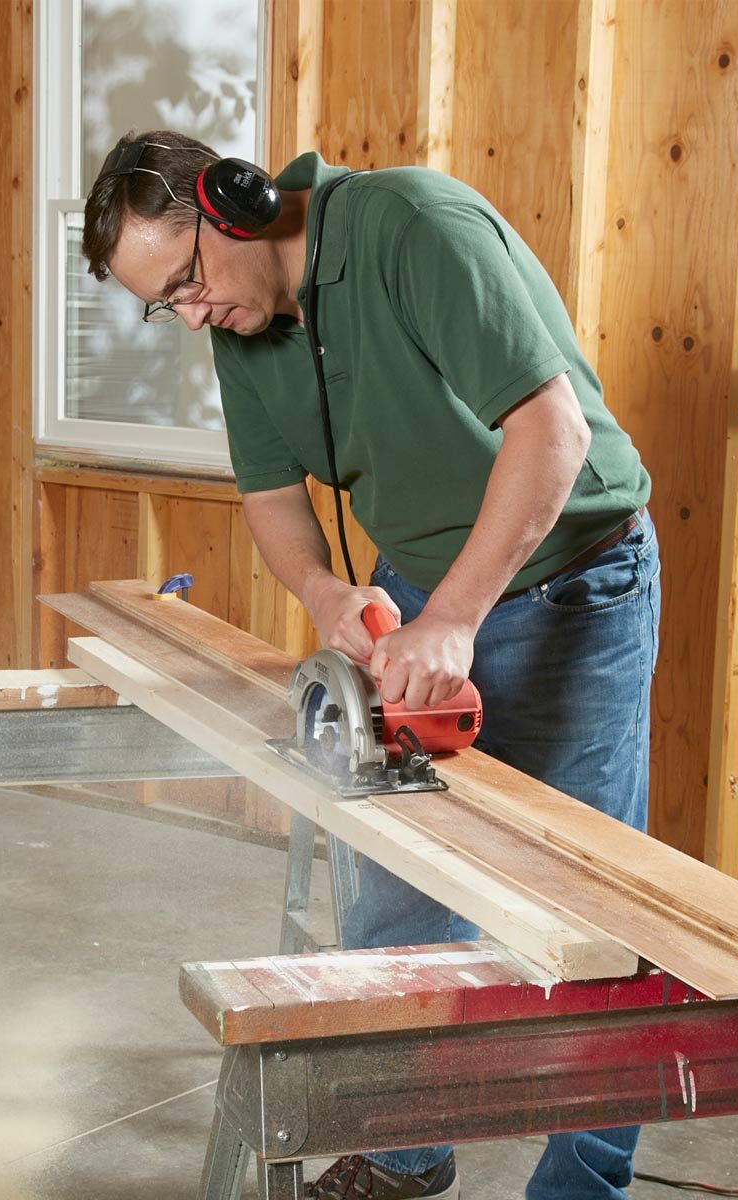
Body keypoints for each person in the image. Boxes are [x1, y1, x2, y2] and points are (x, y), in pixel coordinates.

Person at [83, 130, 661, 1200]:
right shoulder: (243, 313)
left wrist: (450, 619)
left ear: (234, 205)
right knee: (395, 897)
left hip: (577, 575)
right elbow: (269, 495)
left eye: (188, 283)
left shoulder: (412, 228)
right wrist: (326, 593)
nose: (193, 314)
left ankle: (583, 1188)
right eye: (167, 307)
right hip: (425, 592)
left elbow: (554, 434)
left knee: (594, 920)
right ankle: (403, 1154)